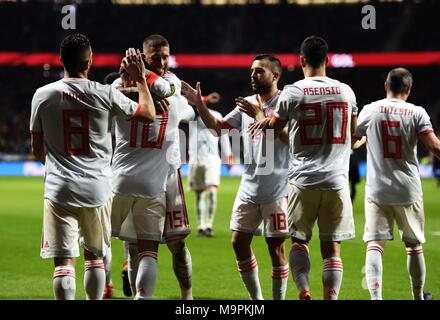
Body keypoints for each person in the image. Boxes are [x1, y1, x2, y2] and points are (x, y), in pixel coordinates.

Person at [29, 33, 155, 300]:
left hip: (59, 188)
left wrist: (56, 166)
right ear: (90, 62)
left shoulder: (42, 95)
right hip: (97, 188)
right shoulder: (105, 93)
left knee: (63, 262)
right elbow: (148, 114)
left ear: (60, 59)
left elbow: (36, 146)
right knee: (95, 257)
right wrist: (141, 79)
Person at [250, 36, 358, 300]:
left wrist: (259, 115)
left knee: (300, 241)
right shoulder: (346, 91)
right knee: (332, 247)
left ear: (301, 61)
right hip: (336, 180)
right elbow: (353, 133)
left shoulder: (293, 91)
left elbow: (275, 128)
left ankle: (304, 290)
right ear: (327, 59)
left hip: (303, 179)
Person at [182, 54, 290, 300]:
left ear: (275, 75)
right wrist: (199, 104)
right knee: (238, 243)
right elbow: (217, 128)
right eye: (252, 71)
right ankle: (257, 301)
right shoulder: (248, 103)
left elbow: (288, 139)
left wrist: (260, 114)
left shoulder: (286, 102)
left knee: (276, 249)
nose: (253, 75)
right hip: (249, 185)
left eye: (260, 71)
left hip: (277, 187)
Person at [111, 35, 195, 300]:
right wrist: (140, 87)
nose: (161, 60)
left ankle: (186, 294)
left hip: (170, 174)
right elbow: (120, 91)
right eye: (154, 56)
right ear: (144, 56)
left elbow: (167, 91)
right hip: (143, 173)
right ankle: (137, 291)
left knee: (178, 244)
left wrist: (140, 77)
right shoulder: (120, 82)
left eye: (165, 55)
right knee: (136, 245)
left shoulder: (172, 81)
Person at [353, 68, 440, 300]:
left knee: (374, 244)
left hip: (377, 190)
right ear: (409, 89)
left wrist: (361, 140)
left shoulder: (370, 109)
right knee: (414, 246)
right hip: (408, 189)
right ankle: (418, 296)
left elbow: (352, 140)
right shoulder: (416, 112)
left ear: (386, 86)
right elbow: (434, 147)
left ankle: (376, 297)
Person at [187, 93, 233, 237]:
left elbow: (223, 135)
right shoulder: (194, 115)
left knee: (212, 192)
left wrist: (228, 155)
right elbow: (190, 106)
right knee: (199, 195)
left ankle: (209, 226)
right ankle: (201, 226)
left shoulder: (217, 114)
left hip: (212, 159)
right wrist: (205, 99)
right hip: (196, 159)